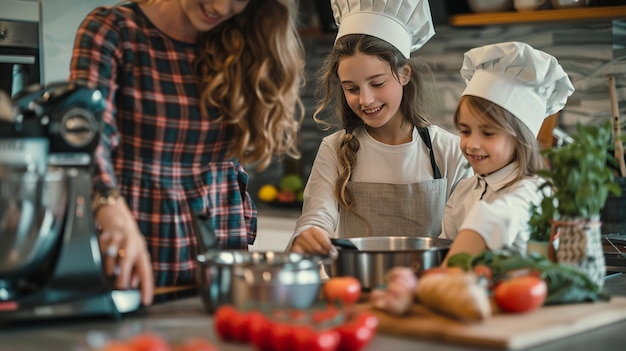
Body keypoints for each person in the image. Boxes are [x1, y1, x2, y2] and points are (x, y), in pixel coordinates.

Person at [69, 0, 304, 305]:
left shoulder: (243, 38)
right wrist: (111, 209)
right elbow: (85, 135)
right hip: (135, 241)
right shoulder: (114, 30)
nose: (221, 7)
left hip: (221, 248)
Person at [288, 0, 473, 256]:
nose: (365, 100)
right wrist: (310, 234)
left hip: (431, 287)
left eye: (377, 83)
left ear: (404, 73)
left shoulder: (449, 151)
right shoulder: (334, 149)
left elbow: (464, 232)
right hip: (355, 287)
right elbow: (317, 216)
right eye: (351, 88)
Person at [439, 41, 575, 264]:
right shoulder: (464, 190)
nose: (472, 144)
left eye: (488, 133)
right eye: (465, 130)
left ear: (520, 139)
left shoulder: (535, 191)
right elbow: (444, 248)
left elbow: (496, 218)